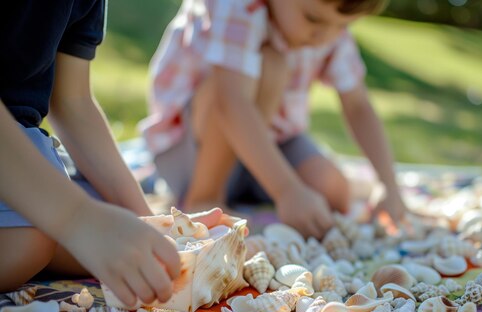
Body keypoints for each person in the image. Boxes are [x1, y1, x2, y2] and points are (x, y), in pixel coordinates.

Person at [0, 1, 230, 307]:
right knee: (31, 243)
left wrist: (150, 224)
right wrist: (76, 220)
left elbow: (73, 100)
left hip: (21, 141)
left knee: (120, 226)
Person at [141, 0, 407, 239]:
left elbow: (358, 105)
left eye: (343, 26)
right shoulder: (236, 5)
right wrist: (287, 190)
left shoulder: (328, 25)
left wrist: (389, 185)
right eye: (313, 20)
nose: (324, 36)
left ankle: (251, 188)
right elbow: (230, 102)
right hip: (193, 150)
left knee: (333, 191)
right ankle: (205, 197)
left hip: (268, 139)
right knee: (272, 65)